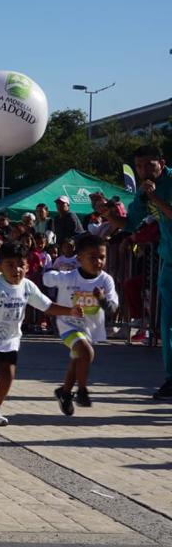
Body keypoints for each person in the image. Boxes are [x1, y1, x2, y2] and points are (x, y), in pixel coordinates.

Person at [0, 242, 83, 426]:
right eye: (10, 265)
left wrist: (70, 311)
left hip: (9, 340)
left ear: (27, 267)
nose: (16, 269)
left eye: (21, 264)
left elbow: (47, 306)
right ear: (0, 267)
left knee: (7, 376)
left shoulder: (28, 287)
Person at [104, 145, 172, 398]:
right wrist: (107, 213)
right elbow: (129, 224)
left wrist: (153, 197)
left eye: (149, 165)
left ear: (161, 163)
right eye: (139, 166)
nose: (143, 170)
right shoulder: (144, 191)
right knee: (167, 324)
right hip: (169, 261)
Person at [43, 234, 118, 415]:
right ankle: (82, 391)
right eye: (92, 257)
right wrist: (52, 273)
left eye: (102, 257)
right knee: (86, 352)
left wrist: (102, 299)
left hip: (90, 329)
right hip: (68, 324)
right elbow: (47, 278)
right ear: (79, 259)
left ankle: (65, 392)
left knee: (78, 359)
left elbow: (112, 308)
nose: (98, 262)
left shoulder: (105, 280)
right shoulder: (69, 277)